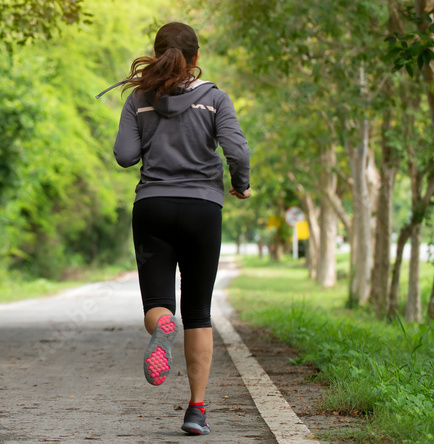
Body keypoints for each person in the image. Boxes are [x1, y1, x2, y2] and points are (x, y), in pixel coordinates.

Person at [103, 22, 251, 436]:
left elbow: (125, 156)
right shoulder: (215, 100)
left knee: (158, 302)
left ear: (155, 54)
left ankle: (163, 323)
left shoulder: (138, 101)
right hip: (203, 209)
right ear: (196, 58)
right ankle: (196, 411)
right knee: (199, 313)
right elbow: (236, 149)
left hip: (153, 207)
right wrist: (241, 184)